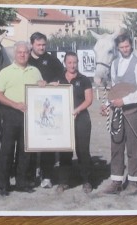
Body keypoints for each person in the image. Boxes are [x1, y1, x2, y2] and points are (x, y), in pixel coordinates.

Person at [0, 41, 44, 197]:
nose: (23, 55)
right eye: (20, 52)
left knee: (25, 150)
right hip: (10, 114)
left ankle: (22, 182)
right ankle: (4, 184)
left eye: (25, 52)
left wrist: (44, 85)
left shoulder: (35, 71)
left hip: (29, 115)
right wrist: (15, 105)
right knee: (7, 150)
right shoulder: (5, 72)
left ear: (29, 54)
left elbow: (40, 90)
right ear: (15, 54)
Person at [102, 33, 137, 195]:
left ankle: (134, 182)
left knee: (133, 147)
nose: (124, 49)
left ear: (131, 45)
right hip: (118, 111)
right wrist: (107, 105)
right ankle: (116, 182)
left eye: (127, 46)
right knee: (116, 145)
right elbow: (114, 90)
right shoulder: (114, 65)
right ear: (117, 48)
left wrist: (125, 101)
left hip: (133, 111)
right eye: (121, 47)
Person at [28, 32, 64, 188]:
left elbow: (61, 77)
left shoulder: (53, 60)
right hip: (28, 106)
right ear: (32, 45)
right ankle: (29, 176)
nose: (42, 47)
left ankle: (47, 176)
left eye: (44, 45)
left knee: (46, 141)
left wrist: (57, 82)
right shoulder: (25, 59)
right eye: (38, 45)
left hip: (47, 106)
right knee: (29, 143)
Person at [55, 51, 94, 194]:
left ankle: (86, 181)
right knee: (64, 151)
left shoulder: (84, 79)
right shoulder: (59, 79)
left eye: (75, 62)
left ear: (78, 63)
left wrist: (77, 110)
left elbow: (89, 100)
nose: (72, 65)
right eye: (69, 62)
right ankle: (63, 182)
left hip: (81, 119)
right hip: (63, 121)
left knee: (83, 151)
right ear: (65, 63)